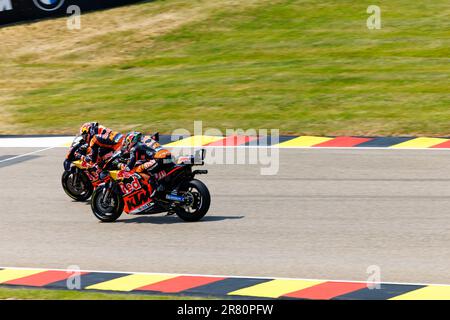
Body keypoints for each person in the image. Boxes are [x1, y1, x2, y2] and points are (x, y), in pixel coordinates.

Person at [119, 131, 172, 196]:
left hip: (159, 159)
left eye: (126, 143)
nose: (126, 145)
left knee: (138, 170)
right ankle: (163, 183)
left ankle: (154, 187)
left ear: (129, 140)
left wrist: (121, 166)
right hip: (168, 158)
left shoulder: (134, 147)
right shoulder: (145, 142)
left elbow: (130, 166)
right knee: (149, 167)